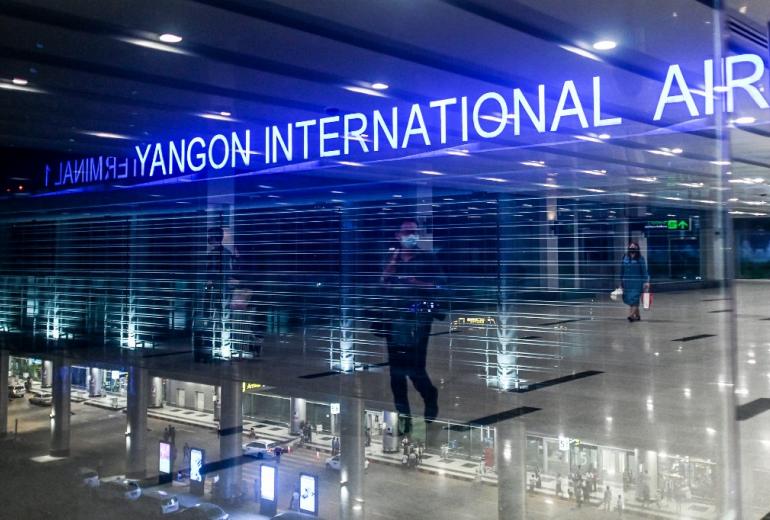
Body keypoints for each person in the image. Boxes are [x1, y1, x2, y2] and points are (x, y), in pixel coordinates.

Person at [380, 219, 445, 436]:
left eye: (414, 232)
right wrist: (391, 266)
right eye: (407, 232)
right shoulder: (392, 258)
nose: (411, 236)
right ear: (397, 235)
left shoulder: (427, 258)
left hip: (418, 319)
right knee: (396, 373)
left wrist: (415, 282)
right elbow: (382, 283)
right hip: (394, 319)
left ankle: (429, 395)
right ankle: (403, 418)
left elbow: (440, 285)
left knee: (415, 368)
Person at [620, 241, 650, 322]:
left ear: (637, 248)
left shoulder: (640, 258)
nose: (632, 248)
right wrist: (621, 281)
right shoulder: (625, 257)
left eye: (634, 247)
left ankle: (631, 316)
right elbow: (622, 270)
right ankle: (637, 316)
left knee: (635, 299)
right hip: (627, 282)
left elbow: (644, 271)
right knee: (630, 300)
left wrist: (646, 282)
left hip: (637, 283)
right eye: (631, 247)